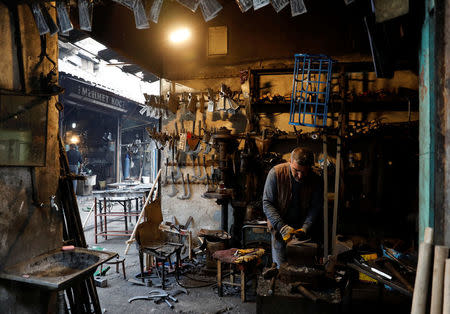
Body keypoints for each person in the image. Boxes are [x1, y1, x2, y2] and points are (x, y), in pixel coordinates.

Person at [263, 147, 323, 267]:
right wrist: (282, 227)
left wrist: (305, 227)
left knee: (304, 267)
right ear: (290, 162)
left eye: (304, 171)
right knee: (281, 267)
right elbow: (267, 203)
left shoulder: (315, 178)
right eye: (296, 170)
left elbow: (315, 207)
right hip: (279, 227)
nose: (300, 176)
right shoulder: (276, 173)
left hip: (303, 230)